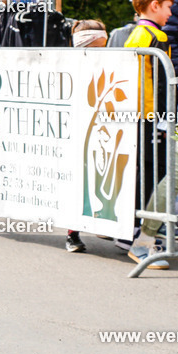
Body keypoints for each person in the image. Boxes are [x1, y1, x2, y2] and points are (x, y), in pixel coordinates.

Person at [121, 0, 172, 266]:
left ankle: (136, 235)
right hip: (152, 117)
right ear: (154, 5)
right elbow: (161, 83)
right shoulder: (155, 37)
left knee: (147, 176)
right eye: (167, 7)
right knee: (153, 178)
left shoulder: (135, 34)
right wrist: (167, 114)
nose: (170, 14)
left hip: (141, 116)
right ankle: (143, 241)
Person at [65, 19, 110, 253]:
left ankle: (104, 223)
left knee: (100, 178)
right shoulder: (70, 65)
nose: (103, 52)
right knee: (78, 181)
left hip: (102, 132)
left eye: (105, 46)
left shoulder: (112, 63)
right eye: (97, 47)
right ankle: (72, 233)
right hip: (76, 131)